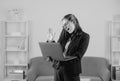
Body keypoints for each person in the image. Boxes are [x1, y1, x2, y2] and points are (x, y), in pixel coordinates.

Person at [47, 14, 90, 81]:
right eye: (63, 26)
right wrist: (51, 41)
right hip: (58, 69)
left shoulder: (84, 36)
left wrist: (65, 58)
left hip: (71, 71)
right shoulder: (64, 33)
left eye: (66, 24)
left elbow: (78, 56)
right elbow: (58, 49)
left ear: (73, 21)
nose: (65, 27)